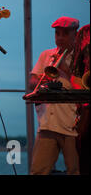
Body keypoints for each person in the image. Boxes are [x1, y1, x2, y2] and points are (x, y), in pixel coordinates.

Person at [29, 16, 80, 175]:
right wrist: (42, 80)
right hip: (48, 123)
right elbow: (32, 82)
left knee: (75, 170)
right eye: (57, 33)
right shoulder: (47, 55)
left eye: (64, 33)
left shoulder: (81, 58)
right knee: (38, 170)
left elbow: (81, 86)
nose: (60, 37)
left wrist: (65, 68)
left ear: (75, 35)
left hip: (72, 123)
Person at [70, 0, 90, 175]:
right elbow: (76, 74)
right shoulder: (84, 33)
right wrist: (82, 94)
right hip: (87, 105)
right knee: (82, 147)